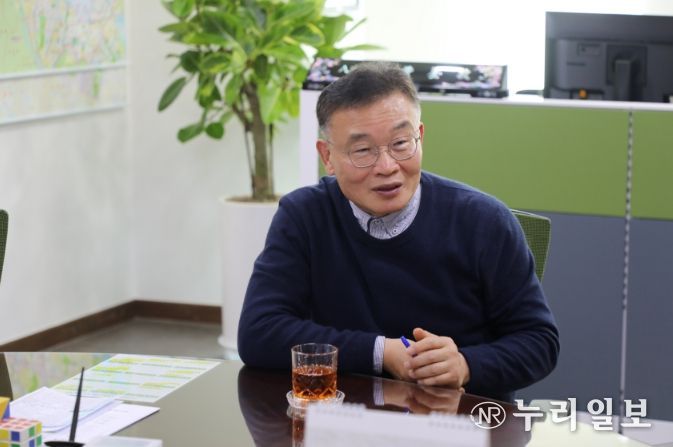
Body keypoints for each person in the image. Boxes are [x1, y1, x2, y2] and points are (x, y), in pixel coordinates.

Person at [238, 61, 559, 402]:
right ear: (327, 156)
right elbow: (259, 332)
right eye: (363, 150)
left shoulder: (484, 220)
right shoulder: (304, 215)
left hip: (459, 419)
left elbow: (539, 341)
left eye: (401, 143)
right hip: (348, 418)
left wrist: (466, 364)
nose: (387, 166)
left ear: (420, 136)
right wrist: (381, 352)